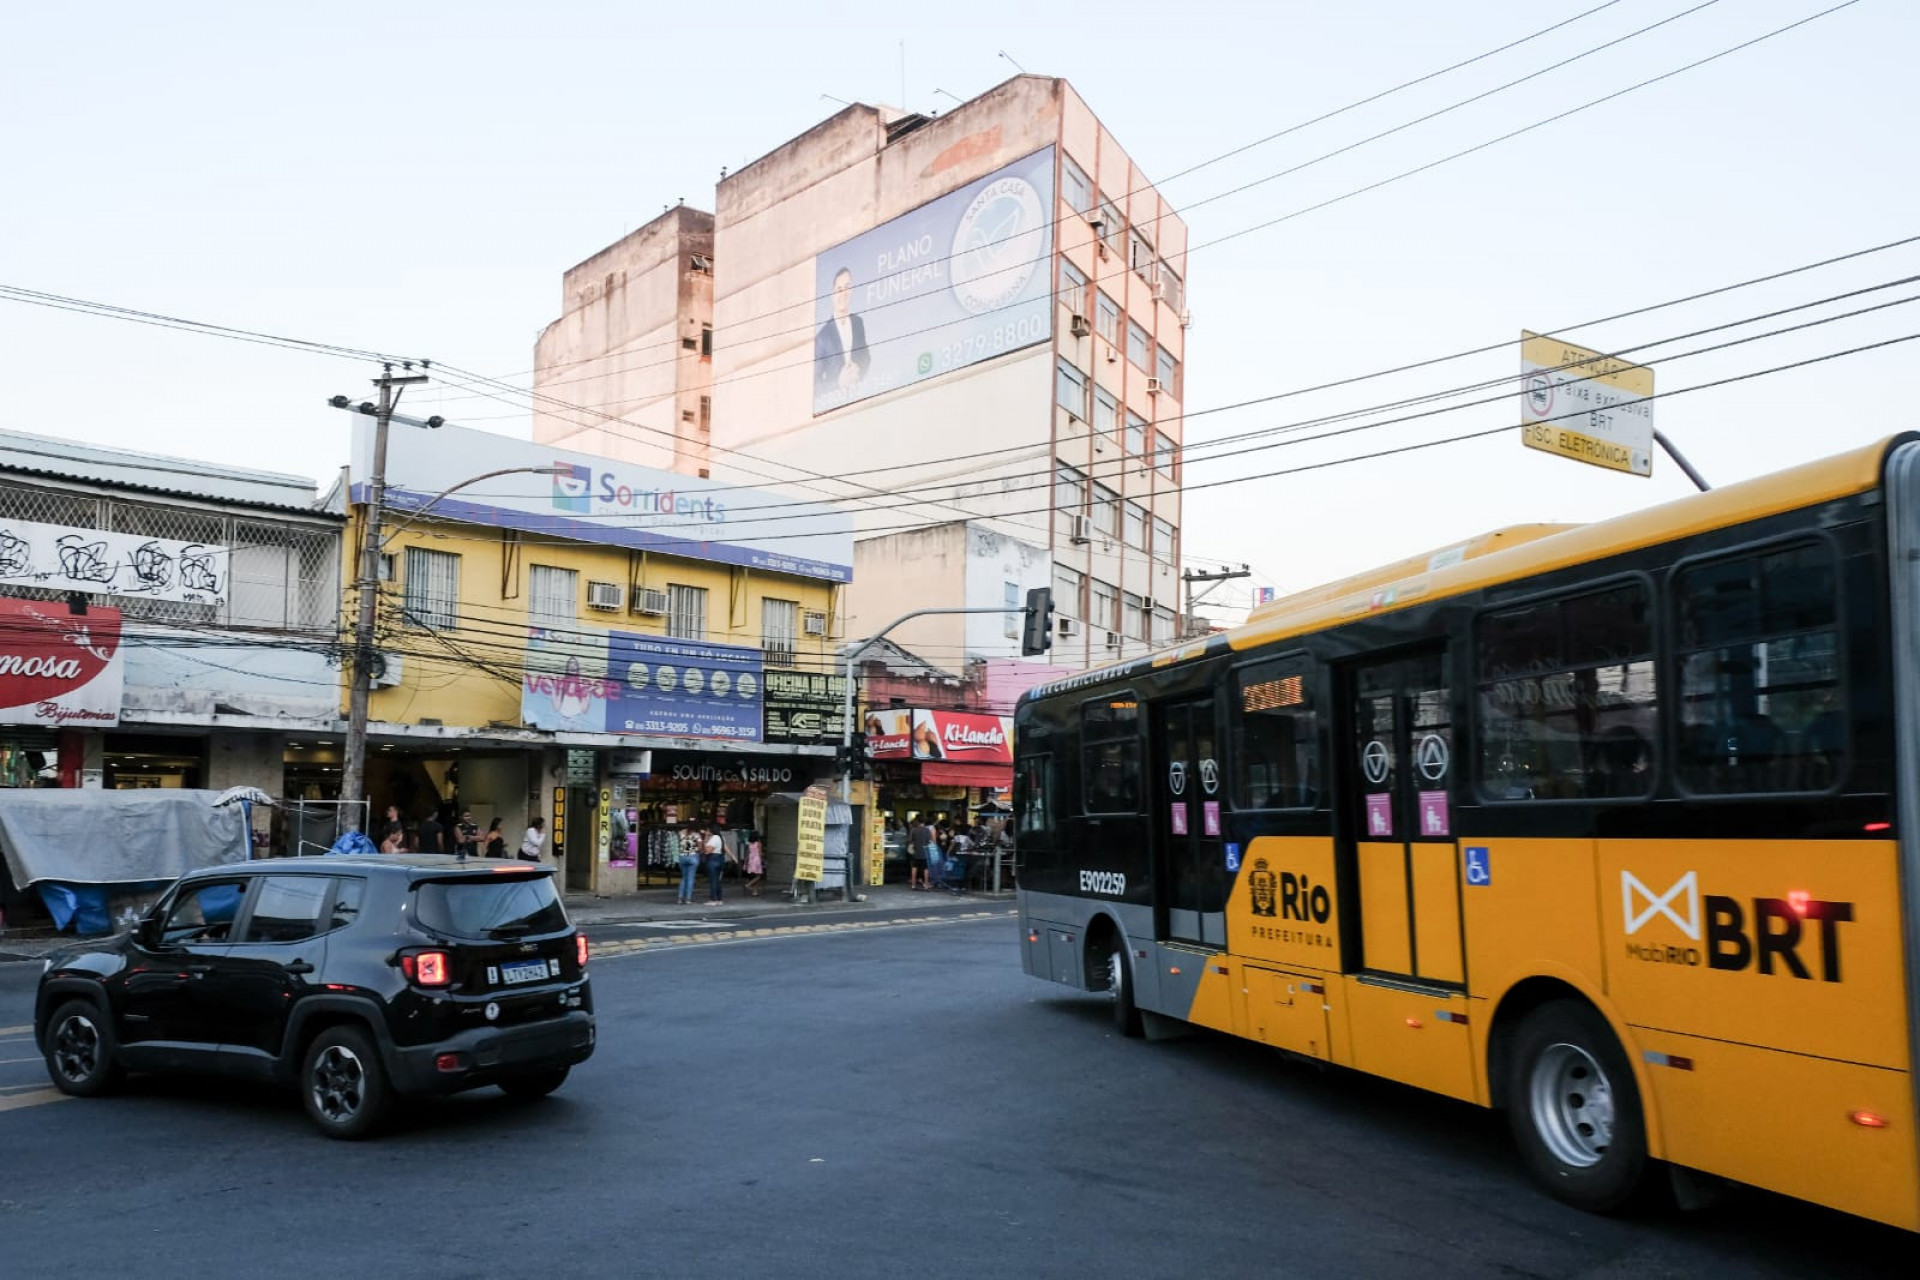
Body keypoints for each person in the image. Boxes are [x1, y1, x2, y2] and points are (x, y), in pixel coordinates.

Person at [814, 266, 870, 397]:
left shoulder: (858, 323)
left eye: (847, 287)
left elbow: (866, 356)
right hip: (836, 403)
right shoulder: (822, 337)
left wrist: (858, 371)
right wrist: (838, 383)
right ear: (833, 294)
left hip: (859, 397)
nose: (843, 293)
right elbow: (814, 386)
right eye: (839, 289)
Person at [676, 827, 701, 905]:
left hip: (683, 857)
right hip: (693, 857)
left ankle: (680, 899)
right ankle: (688, 899)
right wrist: (695, 849)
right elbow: (700, 847)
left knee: (684, 878)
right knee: (690, 878)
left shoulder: (680, 834)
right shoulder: (696, 835)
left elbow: (678, 844)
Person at [703, 825, 726, 905]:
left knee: (713, 880)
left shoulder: (714, 838)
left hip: (713, 859)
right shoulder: (720, 838)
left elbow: (708, 850)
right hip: (718, 858)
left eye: (707, 830)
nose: (707, 832)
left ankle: (713, 899)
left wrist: (705, 840)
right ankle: (719, 899)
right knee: (717, 880)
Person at [908, 816, 932, 890]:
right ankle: (926, 884)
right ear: (924, 822)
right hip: (925, 852)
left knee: (914, 867)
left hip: (916, 852)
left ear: (917, 822)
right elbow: (929, 841)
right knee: (925, 868)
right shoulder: (927, 830)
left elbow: (910, 840)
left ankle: (913, 885)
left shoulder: (914, 830)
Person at [744, 830, 764, 897]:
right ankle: (748, 885)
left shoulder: (749, 844)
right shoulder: (758, 843)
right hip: (757, 860)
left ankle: (755, 891)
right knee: (759, 876)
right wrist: (762, 860)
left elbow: (747, 854)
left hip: (751, 860)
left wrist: (745, 863)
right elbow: (760, 853)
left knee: (753, 876)